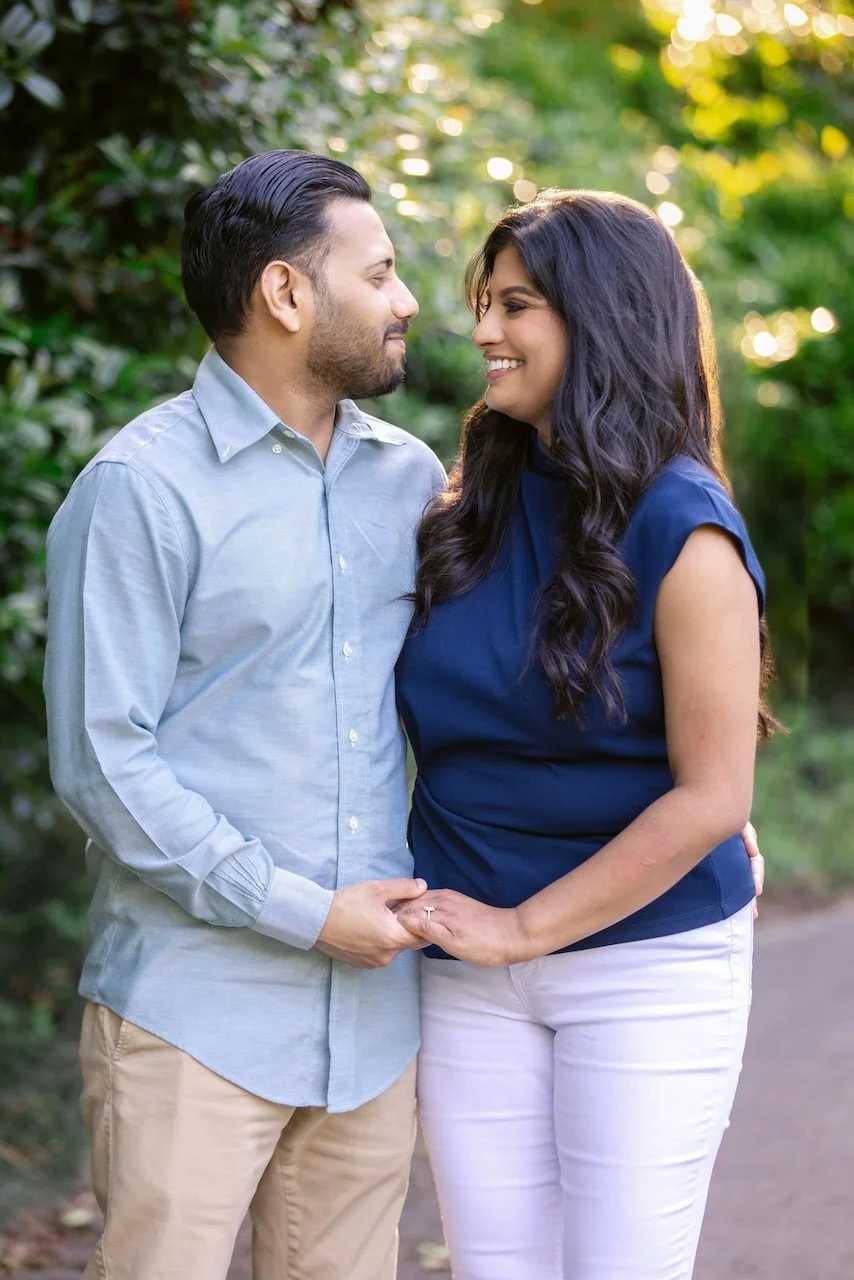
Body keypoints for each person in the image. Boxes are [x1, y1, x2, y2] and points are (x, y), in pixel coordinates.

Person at [43, 150, 444, 1280]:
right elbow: (101, 762)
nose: (404, 300)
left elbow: (485, 684)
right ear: (285, 293)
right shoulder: (139, 487)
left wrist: (676, 791)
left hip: (371, 1027)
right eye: (379, 272)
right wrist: (306, 911)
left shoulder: (409, 479)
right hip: (192, 1016)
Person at [395, 189, 778, 1280]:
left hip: (641, 965)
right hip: (466, 966)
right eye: (484, 302)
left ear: (599, 317)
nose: (480, 331)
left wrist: (523, 927)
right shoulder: (465, 506)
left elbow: (712, 794)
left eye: (514, 304)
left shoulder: (683, 525)